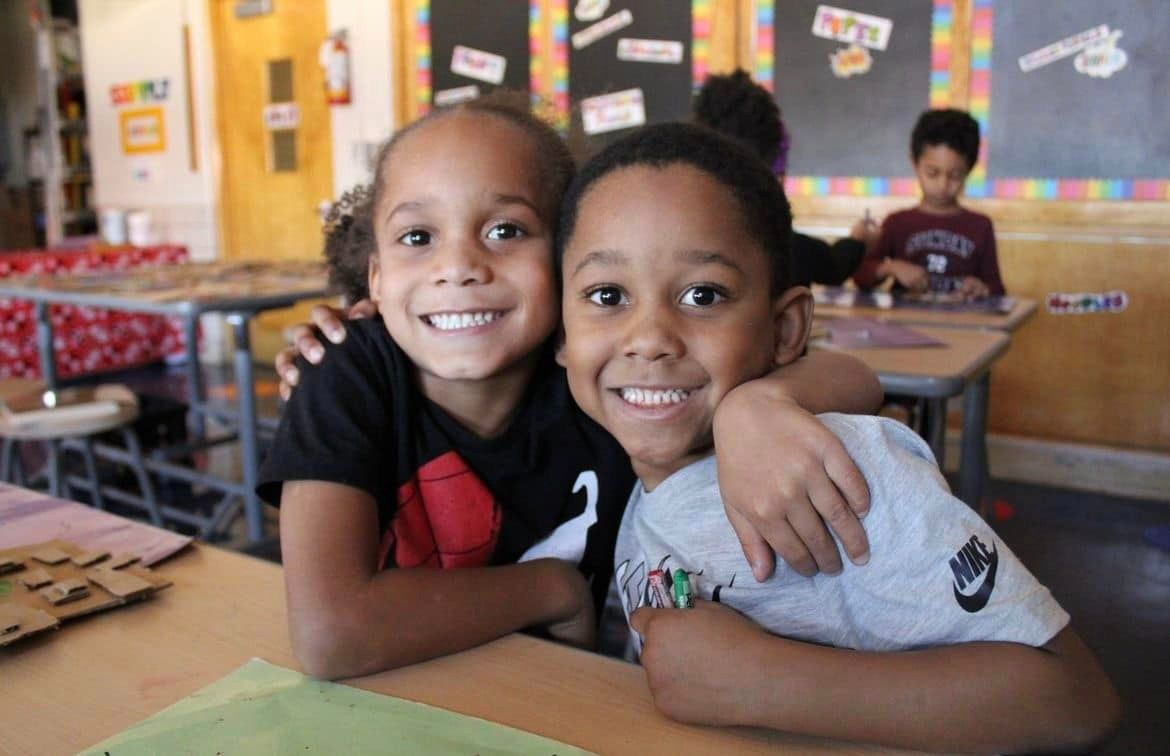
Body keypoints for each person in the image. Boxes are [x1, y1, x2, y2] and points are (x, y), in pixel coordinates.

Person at [258, 93, 884, 681]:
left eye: (505, 230)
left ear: (566, 262)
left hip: (553, 702)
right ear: (376, 276)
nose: (458, 268)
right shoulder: (346, 370)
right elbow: (329, 635)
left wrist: (759, 406)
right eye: (418, 238)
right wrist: (550, 589)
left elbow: (858, 379)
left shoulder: (601, 384)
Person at [554, 121, 1120, 752]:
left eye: (702, 294)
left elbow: (1074, 699)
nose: (650, 338)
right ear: (561, 334)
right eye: (607, 295)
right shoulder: (618, 464)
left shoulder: (841, 473)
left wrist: (767, 682)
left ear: (785, 329)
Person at [693, 69, 874, 286]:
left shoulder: (684, 244)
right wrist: (858, 240)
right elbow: (833, 266)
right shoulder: (786, 246)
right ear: (774, 174)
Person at [853, 108, 1005, 299]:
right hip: (904, 326)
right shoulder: (897, 223)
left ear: (970, 169)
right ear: (914, 163)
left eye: (955, 175)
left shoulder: (980, 226)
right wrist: (892, 267)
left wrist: (981, 288)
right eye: (932, 173)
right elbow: (861, 276)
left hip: (962, 325)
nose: (943, 185)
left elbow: (997, 289)